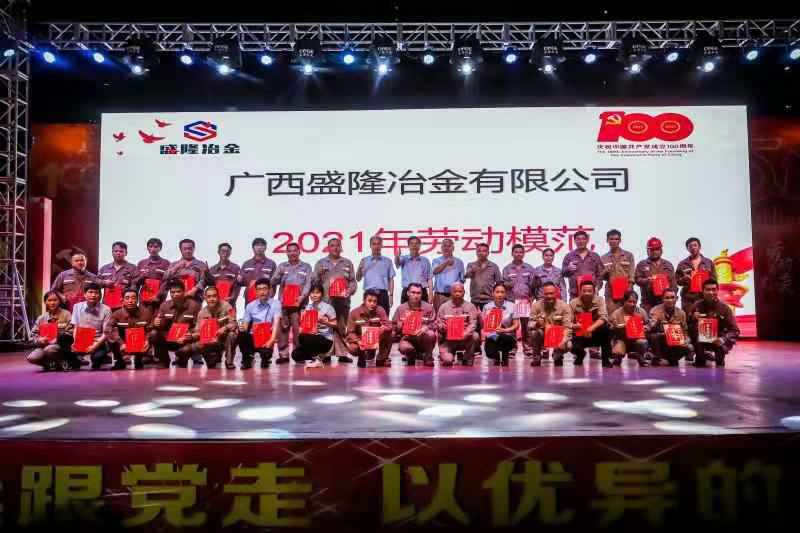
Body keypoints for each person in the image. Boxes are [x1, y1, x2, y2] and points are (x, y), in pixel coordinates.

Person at [312, 238, 358, 363]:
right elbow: (314, 282)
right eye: (332, 245)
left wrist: (349, 291)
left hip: (343, 300)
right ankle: (325, 354)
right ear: (328, 248)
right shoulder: (321, 263)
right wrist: (318, 274)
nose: (335, 248)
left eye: (338, 245)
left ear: (341, 247)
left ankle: (342, 354)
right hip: (325, 301)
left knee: (341, 327)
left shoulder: (347, 262)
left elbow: (353, 281)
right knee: (325, 328)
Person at [272, 242, 313, 364]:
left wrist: (302, 297)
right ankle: (283, 355)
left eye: (295, 250)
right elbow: (273, 282)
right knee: (283, 329)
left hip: (299, 304)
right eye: (289, 251)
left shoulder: (306, 267)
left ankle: (298, 355)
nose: (292, 253)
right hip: (284, 304)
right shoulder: (282, 266)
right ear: (286, 253)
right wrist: (279, 276)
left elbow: (308, 284)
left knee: (298, 330)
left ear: (299, 252)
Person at [687, 279, 739, 367]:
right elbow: (687, 325)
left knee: (719, 363)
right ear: (702, 291)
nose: (711, 292)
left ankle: (718, 356)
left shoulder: (725, 308)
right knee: (700, 362)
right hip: (700, 339)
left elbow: (735, 331)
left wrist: (723, 339)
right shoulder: (696, 306)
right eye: (708, 290)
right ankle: (700, 356)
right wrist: (693, 318)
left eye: (714, 289)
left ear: (717, 291)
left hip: (718, 339)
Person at [183, 286, 238, 369]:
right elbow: (198, 331)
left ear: (218, 297)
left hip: (224, 338)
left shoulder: (228, 306)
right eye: (209, 297)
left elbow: (234, 323)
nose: (212, 299)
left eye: (214, 296)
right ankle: (214, 358)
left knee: (232, 335)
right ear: (205, 298)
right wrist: (191, 336)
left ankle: (229, 361)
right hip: (210, 341)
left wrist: (225, 328)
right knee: (212, 365)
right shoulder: (202, 313)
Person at [152, 280, 200, 368]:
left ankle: (182, 358)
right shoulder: (164, 305)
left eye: (178, 291)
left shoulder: (194, 306)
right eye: (173, 292)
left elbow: (198, 326)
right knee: (154, 334)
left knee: (183, 356)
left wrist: (190, 335)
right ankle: (163, 360)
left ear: (184, 291)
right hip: (169, 338)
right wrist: (156, 322)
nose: (175, 294)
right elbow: (159, 324)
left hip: (186, 339)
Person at [502, 244, 539, 357]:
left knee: (526, 326)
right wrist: (509, 283)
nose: (518, 254)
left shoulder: (529, 268)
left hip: (524, 301)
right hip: (511, 301)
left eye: (520, 252)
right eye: (516, 252)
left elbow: (533, 285)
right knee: (512, 326)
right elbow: (503, 283)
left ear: (524, 254)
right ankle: (512, 348)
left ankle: (527, 348)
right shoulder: (507, 268)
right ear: (512, 253)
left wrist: (532, 297)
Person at [106, 288, 155, 369]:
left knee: (154, 334)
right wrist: (121, 343)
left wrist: (147, 340)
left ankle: (139, 359)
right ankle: (120, 361)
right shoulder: (116, 314)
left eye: (133, 298)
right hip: (123, 342)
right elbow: (108, 329)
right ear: (122, 300)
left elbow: (151, 328)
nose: (130, 301)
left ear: (137, 300)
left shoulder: (146, 313)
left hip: (140, 341)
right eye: (127, 298)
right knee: (110, 337)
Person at [238, 278, 281, 369]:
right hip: (253, 337)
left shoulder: (276, 304)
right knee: (241, 334)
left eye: (264, 288)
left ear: (270, 290)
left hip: (267, 337)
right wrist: (242, 328)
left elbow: (276, 323)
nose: (262, 292)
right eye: (259, 289)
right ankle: (247, 359)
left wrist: (271, 340)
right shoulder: (250, 306)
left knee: (266, 356)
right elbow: (245, 326)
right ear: (256, 292)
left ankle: (265, 359)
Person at [568, 280, 613, 367]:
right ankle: (580, 355)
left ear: (594, 291)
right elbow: (567, 322)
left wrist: (591, 328)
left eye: (589, 291)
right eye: (584, 291)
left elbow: (603, 317)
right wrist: (574, 326)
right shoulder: (573, 303)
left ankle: (605, 359)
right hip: (579, 333)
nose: (586, 293)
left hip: (595, 333)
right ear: (580, 291)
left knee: (606, 329)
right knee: (570, 344)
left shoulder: (600, 300)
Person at [291, 284, 338, 368]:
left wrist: (325, 322)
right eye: (312, 293)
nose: (314, 295)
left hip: (325, 339)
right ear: (309, 294)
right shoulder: (308, 307)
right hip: (311, 337)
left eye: (317, 293)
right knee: (295, 354)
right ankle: (319, 357)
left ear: (322, 294)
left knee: (304, 337)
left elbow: (335, 324)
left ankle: (318, 359)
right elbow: (304, 324)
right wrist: (301, 329)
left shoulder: (328, 307)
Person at [69, 282, 113, 370]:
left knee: (97, 359)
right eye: (90, 292)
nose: (93, 295)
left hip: (97, 341)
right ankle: (77, 358)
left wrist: (95, 345)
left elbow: (106, 333)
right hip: (81, 340)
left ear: (100, 295)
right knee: (69, 351)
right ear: (85, 294)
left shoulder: (106, 309)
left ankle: (104, 357)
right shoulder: (77, 307)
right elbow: (75, 327)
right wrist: (75, 342)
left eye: (96, 293)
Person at [345, 289, 393, 368]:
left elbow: (389, 326)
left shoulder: (380, 310)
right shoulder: (354, 313)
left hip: (376, 338)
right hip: (361, 341)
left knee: (391, 334)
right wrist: (358, 341)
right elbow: (350, 333)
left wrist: (383, 328)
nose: (372, 303)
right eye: (369, 301)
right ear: (364, 300)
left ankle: (381, 359)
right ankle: (361, 357)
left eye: (375, 301)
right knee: (352, 348)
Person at [27, 291, 74, 370]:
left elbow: (71, 332)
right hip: (44, 345)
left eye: (55, 300)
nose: (52, 303)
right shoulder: (41, 318)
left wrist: (57, 339)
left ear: (59, 301)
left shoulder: (67, 314)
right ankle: (52, 365)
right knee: (32, 358)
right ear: (45, 302)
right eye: (49, 300)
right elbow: (32, 336)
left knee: (49, 349)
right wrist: (40, 340)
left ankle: (64, 362)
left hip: (61, 346)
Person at [392, 283, 437, 366]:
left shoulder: (428, 307)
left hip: (423, 338)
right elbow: (393, 326)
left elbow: (435, 323)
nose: (416, 296)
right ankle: (414, 355)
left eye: (418, 293)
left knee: (431, 334)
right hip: (408, 338)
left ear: (422, 294)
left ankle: (428, 356)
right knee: (405, 347)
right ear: (408, 293)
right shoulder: (401, 308)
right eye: (413, 292)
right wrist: (399, 325)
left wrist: (426, 327)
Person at [529, 281, 572, 367]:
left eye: (551, 293)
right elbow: (530, 324)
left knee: (569, 345)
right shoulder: (536, 305)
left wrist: (563, 341)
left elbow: (567, 327)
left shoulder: (564, 306)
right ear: (543, 294)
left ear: (556, 293)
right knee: (534, 332)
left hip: (557, 335)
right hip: (543, 334)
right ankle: (536, 358)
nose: (549, 296)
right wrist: (537, 324)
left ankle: (557, 356)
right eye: (546, 294)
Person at [436, 282, 480, 366]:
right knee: (448, 361)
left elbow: (473, 324)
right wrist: (443, 327)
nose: (457, 294)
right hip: (448, 340)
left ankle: (467, 357)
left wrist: (465, 333)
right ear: (451, 292)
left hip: (464, 338)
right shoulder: (443, 307)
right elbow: (438, 323)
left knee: (475, 336)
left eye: (460, 291)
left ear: (464, 292)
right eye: (455, 291)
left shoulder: (470, 307)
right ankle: (449, 354)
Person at [647, 288, 692, 366]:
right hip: (661, 341)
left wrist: (686, 340)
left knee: (690, 347)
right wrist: (657, 323)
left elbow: (685, 331)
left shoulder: (681, 313)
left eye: (672, 297)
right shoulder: (655, 311)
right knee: (654, 336)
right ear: (662, 299)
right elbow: (650, 328)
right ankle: (657, 357)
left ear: (676, 299)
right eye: (667, 298)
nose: (670, 300)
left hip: (675, 342)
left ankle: (673, 359)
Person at [608, 290, 652, 367]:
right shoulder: (616, 313)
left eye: (634, 302)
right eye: (630, 301)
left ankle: (640, 357)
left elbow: (649, 325)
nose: (632, 304)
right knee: (617, 351)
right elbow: (610, 328)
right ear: (624, 301)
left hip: (637, 340)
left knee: (643, 343)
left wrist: (645, 328)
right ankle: (618, 358)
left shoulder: (641, 311)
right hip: (622, 340)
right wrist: (618, 327)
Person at [635, 237, 677, 313]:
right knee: (648, 319)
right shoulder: (642, 264)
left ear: (661, 250)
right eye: (652, 250)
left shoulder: (668, 265)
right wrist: (646, 280)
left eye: (657, 249)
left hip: (665, 302)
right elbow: (637, 280)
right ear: (648, 251)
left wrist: (673, 298)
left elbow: (673, 283)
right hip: (648, 302)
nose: (654, 252)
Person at [481, 283, 519, 367]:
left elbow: (516, 325)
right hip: (492, 336)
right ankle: (499, 356)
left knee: (503, 338)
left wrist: (505, 330)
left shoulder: (512, 306)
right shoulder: (487, 307)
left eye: (502, 292)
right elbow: (484, 325)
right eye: (497, 292)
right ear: (492, 293)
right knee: (490, 354)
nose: (500, 294)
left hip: (508, 336)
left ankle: (504, 356)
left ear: (505, 294)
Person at [356, 235, 395, 315]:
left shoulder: (387, 261)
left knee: (384, 317)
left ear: (381, 245)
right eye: (374, 244)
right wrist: (359, 269)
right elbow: (358, 278)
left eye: (378, 244)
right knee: (368, 318)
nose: (376, 246)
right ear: (370, 246)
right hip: (369, 294)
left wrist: (391, 295)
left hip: (383, 294)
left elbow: (391, 279)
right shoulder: (364, 260)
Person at [600, 229, 636, 314]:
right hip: (611, 291)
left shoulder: (628, 255)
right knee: (612, 315)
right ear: (607, 240)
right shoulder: (603, 258)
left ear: (620, 240)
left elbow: (632, 273)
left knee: (628, 314)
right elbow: (601, 276)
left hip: (626, 289)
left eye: (616, 239)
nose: (614, 241)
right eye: (611, 239)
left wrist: (630, 288)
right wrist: (605, 271)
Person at [676, 237, 717, 310]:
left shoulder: (708, 262)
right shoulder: (682, 264)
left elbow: (714, 280)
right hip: (688, 299)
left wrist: (706, 280)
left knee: (705, 316)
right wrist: (683, 279)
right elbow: (677, 281)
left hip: (705, 297)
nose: (693, 248)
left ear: (699, 247)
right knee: (689, 316)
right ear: (687, 249)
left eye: (695, 245)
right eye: (690, 246)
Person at [163, 238, 208, 303]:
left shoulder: (201, 264)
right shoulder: (174, 264)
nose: (187, 251)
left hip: (195, 298)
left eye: (190, 248)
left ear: (194, 249)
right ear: (180, 250)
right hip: (177, 298)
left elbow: (203, 280)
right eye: (185, 249)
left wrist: (195, 289)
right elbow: (165, 277)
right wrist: (176, 267)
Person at [561, 231, 604, 299]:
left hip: (592, 293)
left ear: (587, 240)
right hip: (575, 294)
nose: (581, 241)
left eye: (583, 239)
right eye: (578, 239)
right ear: (574, 241)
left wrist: (597, 287)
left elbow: (600, 274)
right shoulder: (569, 256)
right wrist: (568, 268)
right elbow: (563, 273)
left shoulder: (595, 256)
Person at [97, 241, 138, 311]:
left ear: (126, 253)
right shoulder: (104, 268)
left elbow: (135, 287)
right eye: (116, 251)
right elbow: (96, 285)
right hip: (107, 306)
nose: (118, 253)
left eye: (121, 251)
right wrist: (104, 283)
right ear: (112, 252)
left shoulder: (133, 268)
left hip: (125, 306)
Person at [134, 238, 170, 314]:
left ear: (160, 248)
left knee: (158, 318)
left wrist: (158, 295)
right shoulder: (141, 263)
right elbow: (136, 282)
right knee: (143, 318)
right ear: (147, 248)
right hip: (144, 299)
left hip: (159, 299)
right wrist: (142, 277)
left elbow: (167, 282)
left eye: (156, 247)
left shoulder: (166, 263)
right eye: (150, 246)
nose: (153, 249)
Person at [465, 243, 502, 312]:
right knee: (474, 318)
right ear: (476, 252)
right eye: (479, 251)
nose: (481, 253)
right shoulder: (471, 265)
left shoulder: (494, 266)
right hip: (475, 300)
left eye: (484, 251)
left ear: (488, 253)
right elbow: (466, 276)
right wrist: (472, 270)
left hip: (489, 300)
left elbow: (499, 283)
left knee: (488, 319)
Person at [395, 236, 433, 303]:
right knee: (405, 310)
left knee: (424, 310)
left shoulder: (425, 260)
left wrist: (430, 293)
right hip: (407, 291)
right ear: (408, 246)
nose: (414, 245)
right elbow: (397, 263)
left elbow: (429, 278)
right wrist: (397, 256)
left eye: (416, 243)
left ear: (420, 245)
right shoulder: (403, 259)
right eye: (411, 243)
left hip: (422, 291)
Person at [240, 237, 277, 304]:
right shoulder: (246, 264)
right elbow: (242, 282)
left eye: (262, 245)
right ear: (253, 248)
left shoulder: (271, 264)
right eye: (257, 245)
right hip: (250, 299)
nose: (259, 247)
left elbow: (274, 283)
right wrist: (239, 280)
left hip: (266, 299)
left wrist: (271, 296)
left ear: (265, 248)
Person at [431, 238, 465, 311]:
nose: (446, 248)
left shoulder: (459, 262)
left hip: (454, 296)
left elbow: (462, 279)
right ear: (441, 248)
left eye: (449, 246)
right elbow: (434, 271)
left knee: (454, 315)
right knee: (438, 315)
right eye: (444, 246)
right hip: (439, 295)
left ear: (453, 248)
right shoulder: (436, 260)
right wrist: (446, 262)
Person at [208, 242, 241, 308]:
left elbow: (238, 286)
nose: (225, 253)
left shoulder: (235, 268)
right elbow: (209, 286)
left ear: (230, 253)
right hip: (215, 304)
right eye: (223, 251)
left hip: (230, 303)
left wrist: (233, 297)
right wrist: (206, 273)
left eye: (227, 251)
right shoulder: (212, 269)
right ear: (218, 252)